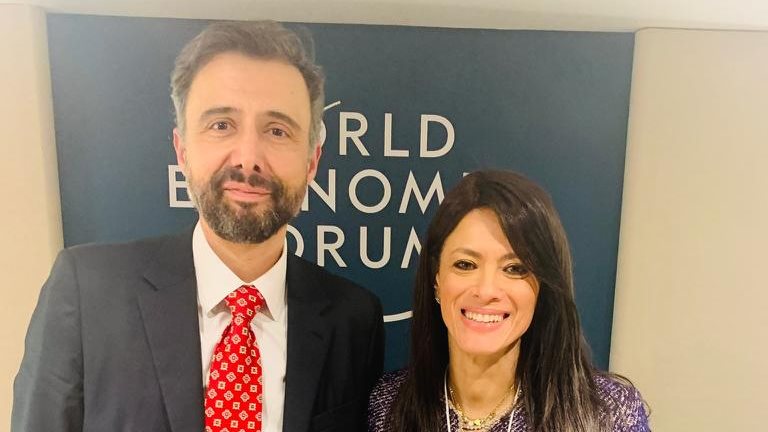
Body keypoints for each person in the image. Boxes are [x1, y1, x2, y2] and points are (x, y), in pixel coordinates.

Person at [13, 20, 384, 432]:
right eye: (221, 125)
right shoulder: (87, 294)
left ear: (311, 162)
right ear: (182, 150)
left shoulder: (354, 319)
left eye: (277, 130)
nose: (247, 158)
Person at [368, 170, 649, 432]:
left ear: (543, 288)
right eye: (465, 264)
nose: (486, 290)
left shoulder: (609, 414)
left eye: (515, 268)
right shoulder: (389, 406)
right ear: (437, 279)